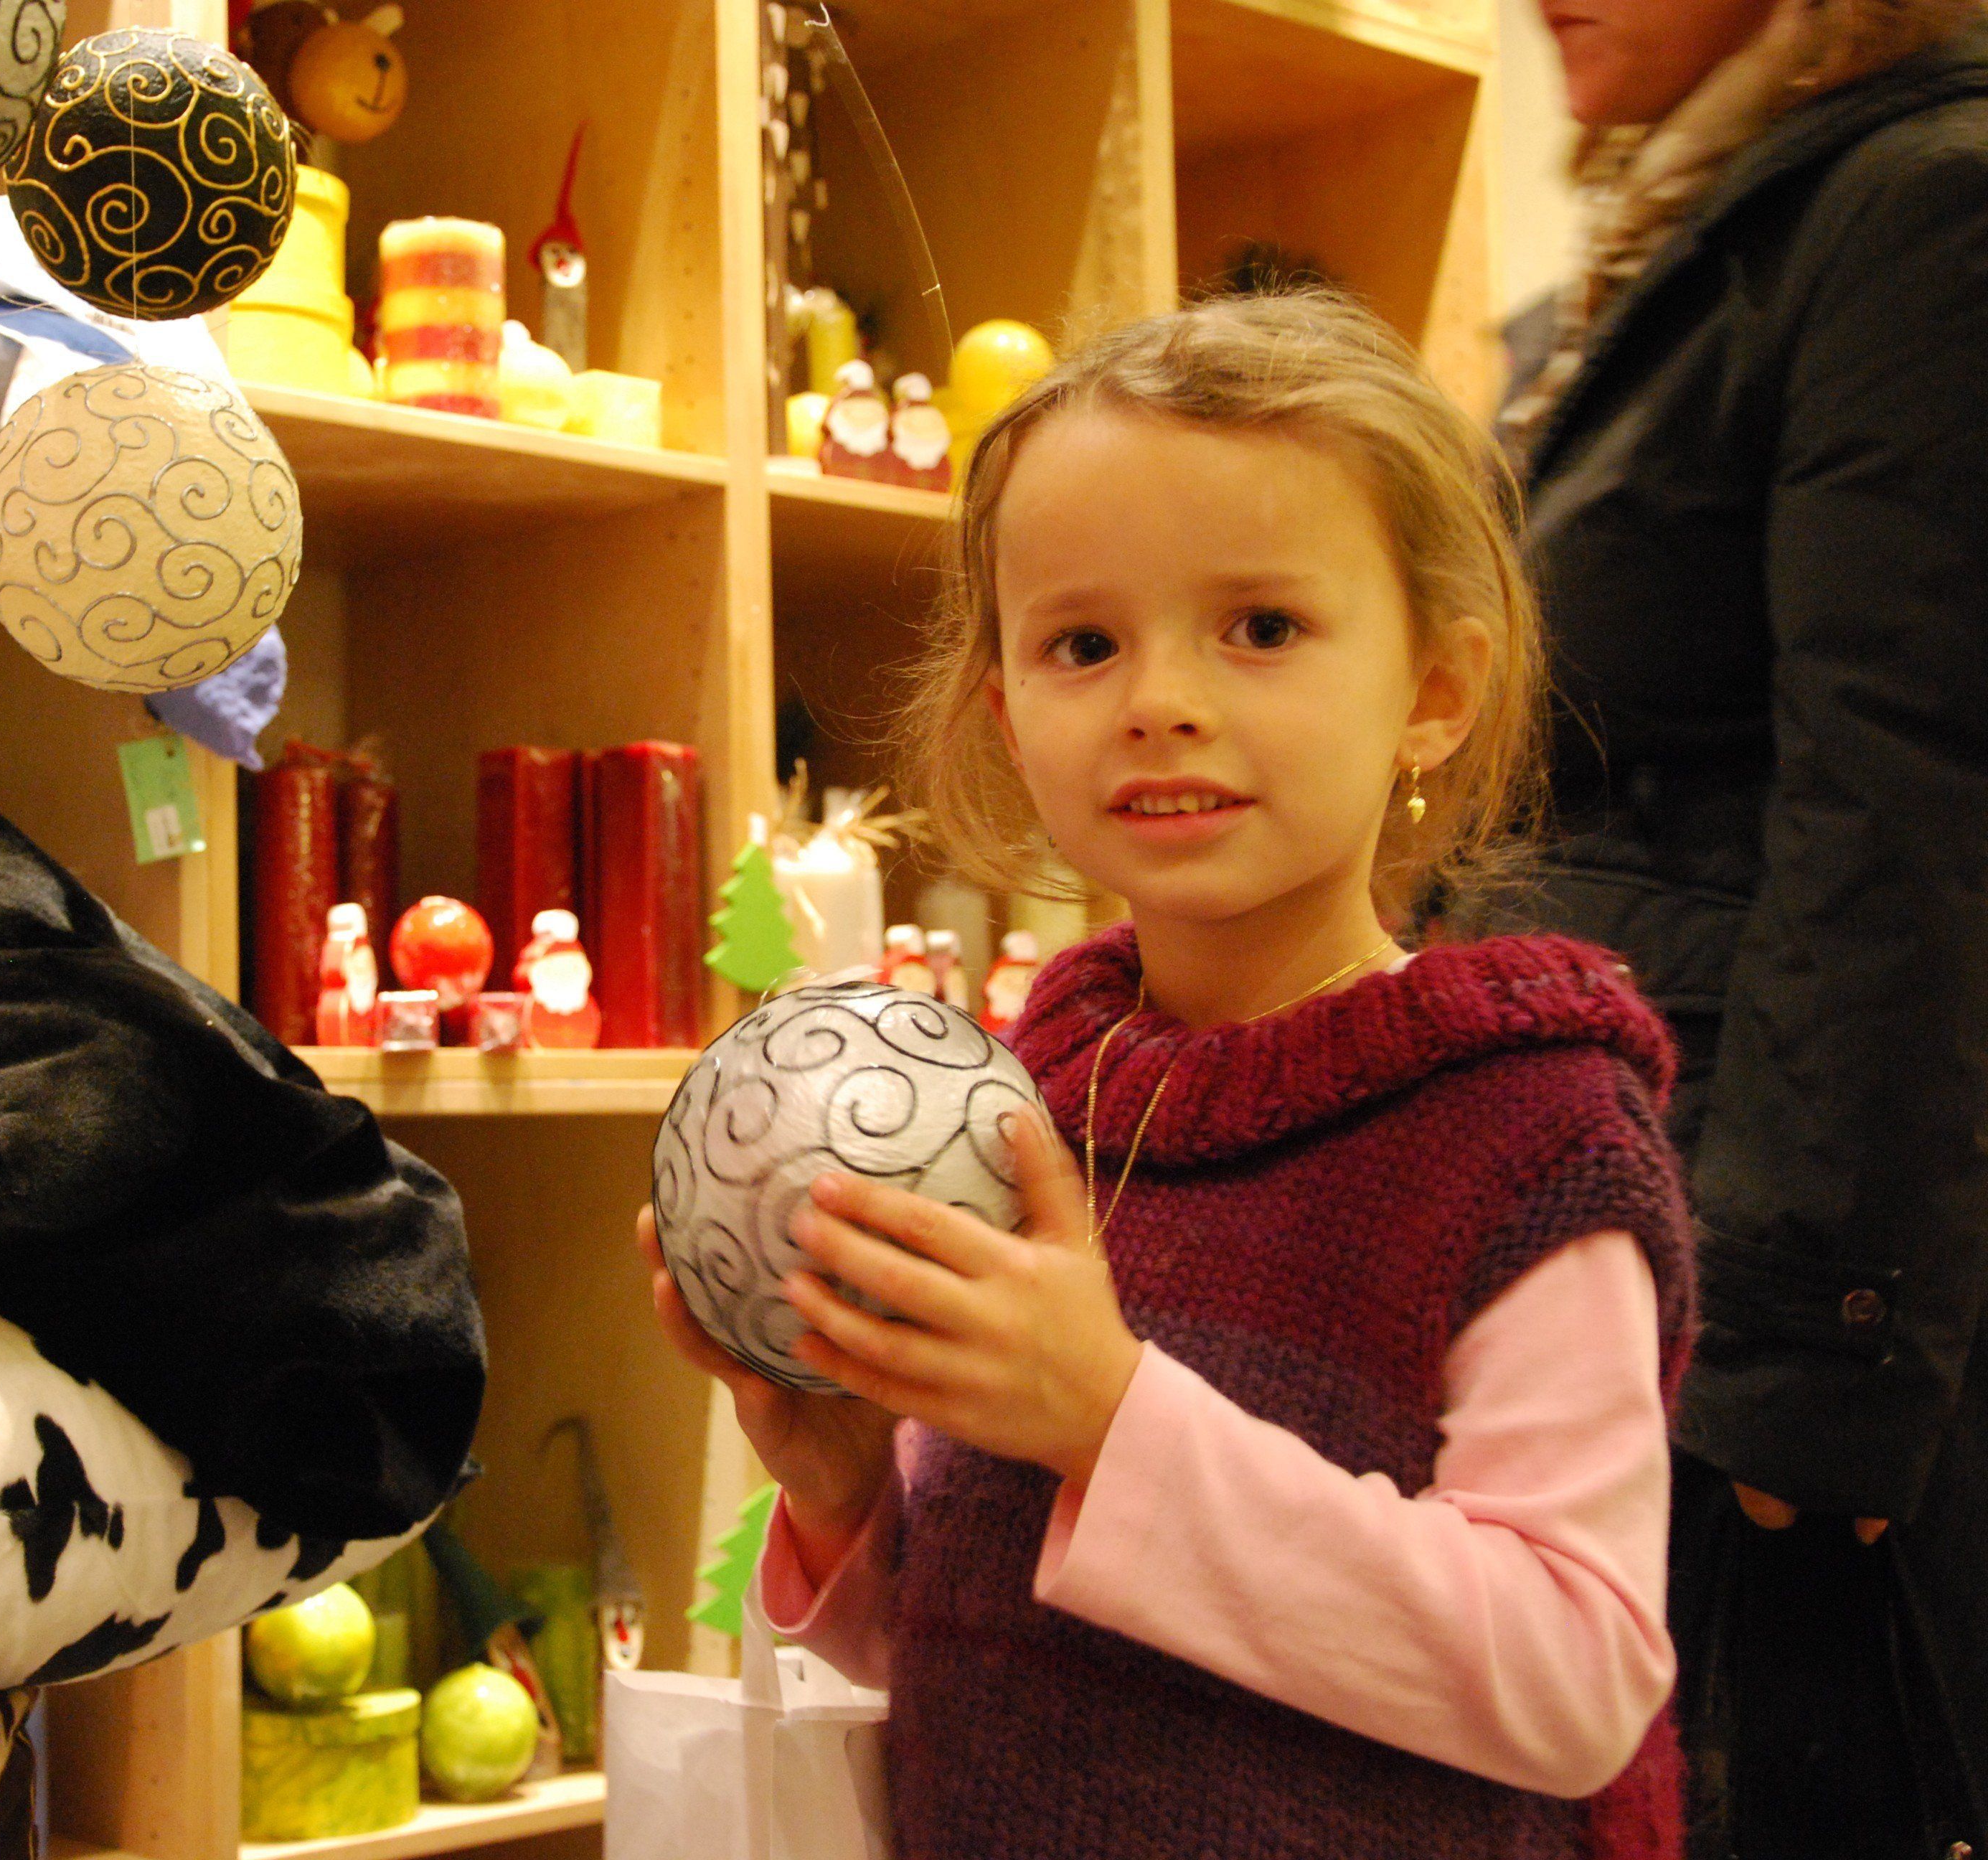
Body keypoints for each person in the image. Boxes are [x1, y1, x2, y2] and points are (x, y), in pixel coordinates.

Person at [641, 293, 1696, 1856]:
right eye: (1083, 645)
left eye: (1261, 628)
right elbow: (992, 1652)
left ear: (1432, 691)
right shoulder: (1020, 1107)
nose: (1158, 702)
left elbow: (1575, 1675)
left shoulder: (1528, 1133)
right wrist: (849, 1499)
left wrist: (1110, 1420)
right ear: (1009, 717)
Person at [1503, 1, 1988, 1851]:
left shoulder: (1920, 203)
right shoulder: (1723, 216)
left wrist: (1804, 1363)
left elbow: (1905, 808)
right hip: (1646, 1235)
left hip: (1745, 1306)